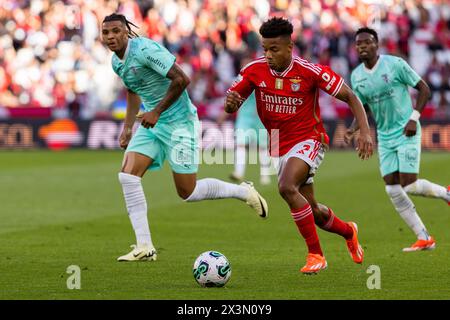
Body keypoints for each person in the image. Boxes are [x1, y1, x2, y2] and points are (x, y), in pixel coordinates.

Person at [101, 13, 268, 262]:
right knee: (127, 175)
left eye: (116, 31)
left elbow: (182, 79)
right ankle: (144, 246)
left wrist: (156, 111)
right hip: (153, 125)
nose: (111, 36)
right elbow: (132, 90)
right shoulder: (117, 62)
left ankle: (243, 192)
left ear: (127, 31)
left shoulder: (146, 50)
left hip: (180, 124)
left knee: (187, 192)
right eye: (106, 32)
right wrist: (127, 127)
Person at [225, 17, 373, 274]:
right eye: (265, 49)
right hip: (279, 143)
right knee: (312, 210)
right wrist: (231, 104)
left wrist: (365, 131)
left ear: (289, 47)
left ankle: (316, 255)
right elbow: (232, 103)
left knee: (286, 187)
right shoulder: (253, 70)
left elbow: (350, 96)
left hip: (310, 138)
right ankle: (349, 231)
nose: (268, 55)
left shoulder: (310, 71)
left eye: (274, 49)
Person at [346, 27, 450, 252]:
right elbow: (363, 106)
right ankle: (424, 237)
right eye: (358, 44)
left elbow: (424, 89)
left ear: (377, 44)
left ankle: (446, 193)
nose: (362, 46)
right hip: (384, 137)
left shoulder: (395, 64)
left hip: (406, 130)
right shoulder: (356, 76)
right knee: (392, 189)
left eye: (367, 42)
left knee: (409, 184)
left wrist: (414, 118)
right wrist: (354, 128)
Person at [218, 91, 272, 186]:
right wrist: (225, 113)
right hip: (244, 117)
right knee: (240, 144)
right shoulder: (243, 80)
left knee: (263, 147)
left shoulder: (264, 79)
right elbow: (233, 98)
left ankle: (265, 175)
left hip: (260, 117)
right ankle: (238, 172)